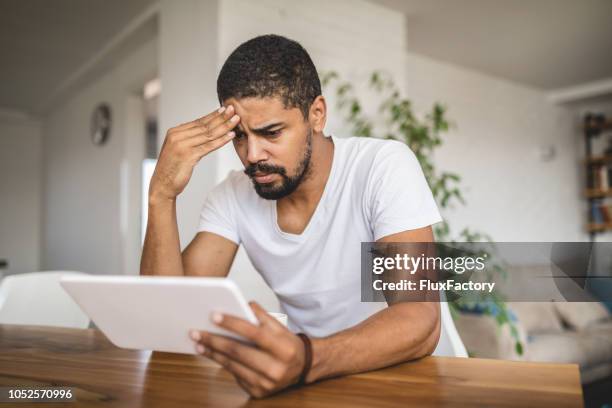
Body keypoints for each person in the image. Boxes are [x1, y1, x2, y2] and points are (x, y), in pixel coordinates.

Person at [141, 34, 442, 398]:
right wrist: (161, 196)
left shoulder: (382, 166)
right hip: (307, 382)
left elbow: (420, 319)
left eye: (271, 132)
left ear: (316, 114)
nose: (252, 154)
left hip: (405, 380)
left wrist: (307, 359)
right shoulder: (233, 195)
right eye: (239, 136)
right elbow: (171, 322)